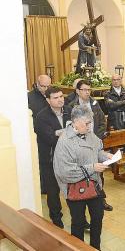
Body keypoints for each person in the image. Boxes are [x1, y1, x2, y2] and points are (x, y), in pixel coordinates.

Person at [53, 105, 112, 250]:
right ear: (75, 122)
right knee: (78, 222)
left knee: (97, 217)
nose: (89, 126)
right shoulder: (64, 142)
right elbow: (64, 171)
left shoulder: (90, 134)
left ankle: (95, 247)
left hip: (93, 185)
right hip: (74, 188)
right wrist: (92, 167)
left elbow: (97, 151)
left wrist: (106, 156)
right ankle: (77, 248)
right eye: (87, 123)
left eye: (90, 122)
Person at [68, 80, 112, 211]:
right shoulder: (72, 106)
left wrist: (95, 139)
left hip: (95, 143)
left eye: (89, 90)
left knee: (99, 171)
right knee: (83, 171)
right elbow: (71, 126)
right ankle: (83, 197)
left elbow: (103, 122)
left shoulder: (94, 103)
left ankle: (100, 198)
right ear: (77, 91)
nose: (87, 92)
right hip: (80, 146)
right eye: (84, 90)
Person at [34, 86, 71, 228]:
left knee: (71, 187)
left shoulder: (69, 111)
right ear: (48, 100)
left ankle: (78, 216)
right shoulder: (41, 116)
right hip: (49, 159)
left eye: (61, 96)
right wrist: (63, 133)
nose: (60, 100)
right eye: (56, 98)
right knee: (53, 191)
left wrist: (59, 133)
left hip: (67, 158)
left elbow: (76, 130)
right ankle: (56, 218)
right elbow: (50, 138)